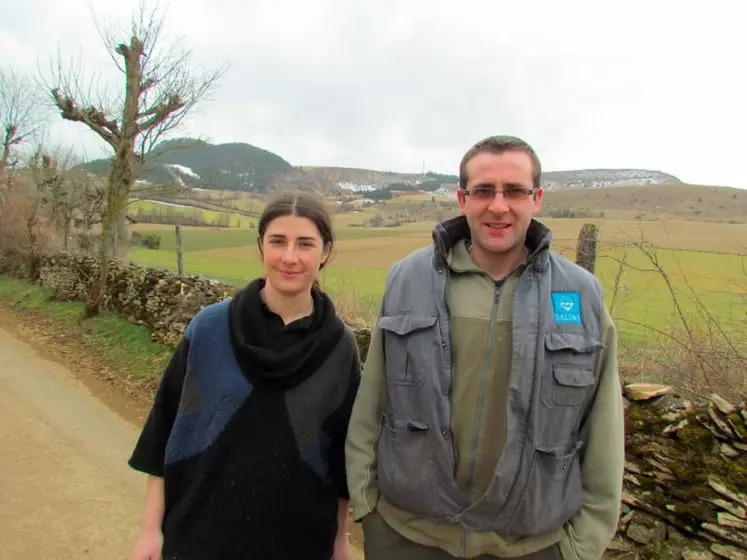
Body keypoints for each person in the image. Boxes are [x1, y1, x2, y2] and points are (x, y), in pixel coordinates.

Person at [345, 135, 625, 560]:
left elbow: (602, 429)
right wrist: (368, 508)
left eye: (514, 190)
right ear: (462, 198)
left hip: (532, 546)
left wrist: (582, 545)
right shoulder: (408, 280)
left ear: (537, 198)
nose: (498, 206)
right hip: (407, 537)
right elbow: (372, 402)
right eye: (483, 191)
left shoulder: (581, 295)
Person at [128, 191, 360, 560]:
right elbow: (164, 429)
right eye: (277, 241)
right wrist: (148, 531)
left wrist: (339, 541)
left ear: (326, 251)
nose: (289, 257)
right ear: (260, 246)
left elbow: (341, 455)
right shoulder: (209, 328)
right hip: (200, 537)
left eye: (305, 244)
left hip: (300, 542)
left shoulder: (339, 347)